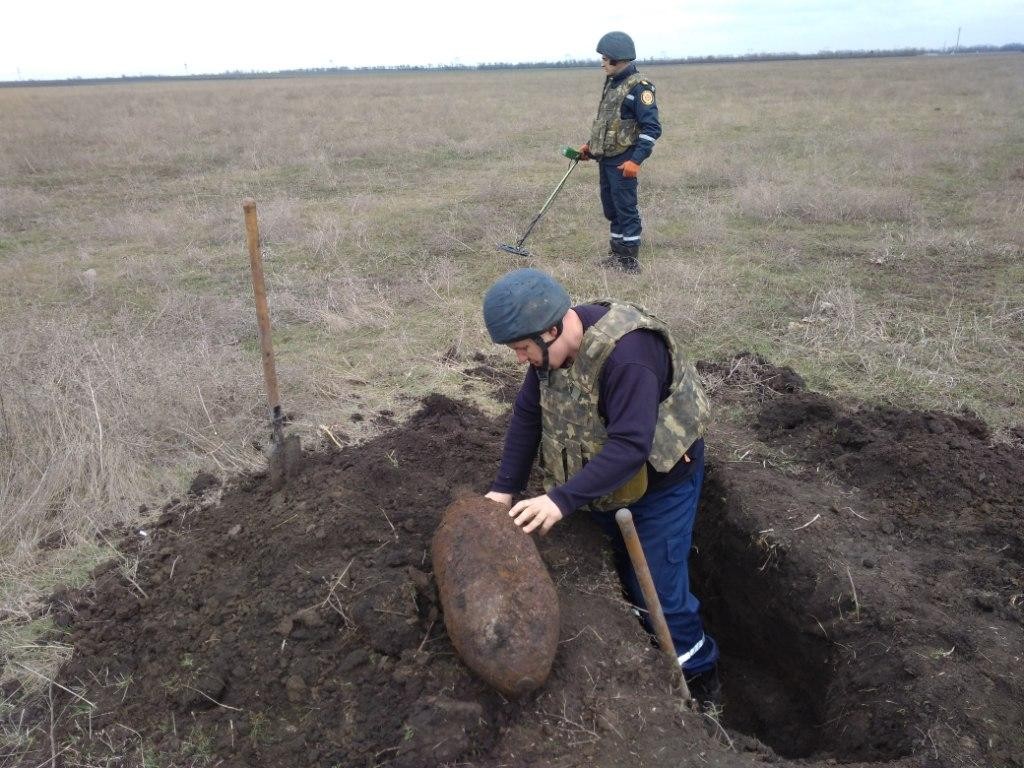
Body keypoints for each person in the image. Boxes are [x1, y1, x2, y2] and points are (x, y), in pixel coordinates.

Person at [482, 268, 721, 709]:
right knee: (618, 575)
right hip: (605, 481)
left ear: (552, 329)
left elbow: (631, 445)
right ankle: (635, 624)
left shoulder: (628, 354)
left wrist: (561, 499)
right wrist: (504, 489)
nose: (520, 360)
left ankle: (699, 679)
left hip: (660, 486)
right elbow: (528, 416)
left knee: (662, 595)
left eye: (521, 349)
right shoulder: (553, 351)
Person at [577, 31, 661, 275]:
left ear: (618, 59)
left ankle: (629, 261)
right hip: (606, 158)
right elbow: (608, 121)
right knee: (611, 208)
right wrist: (590, 147)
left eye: (606, 58)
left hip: (624, 160)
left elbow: (652, 128)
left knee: (626, 209)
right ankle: (616, 254)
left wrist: (636, 160)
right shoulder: (612, 83)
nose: (602, 62)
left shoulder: (640, 87)